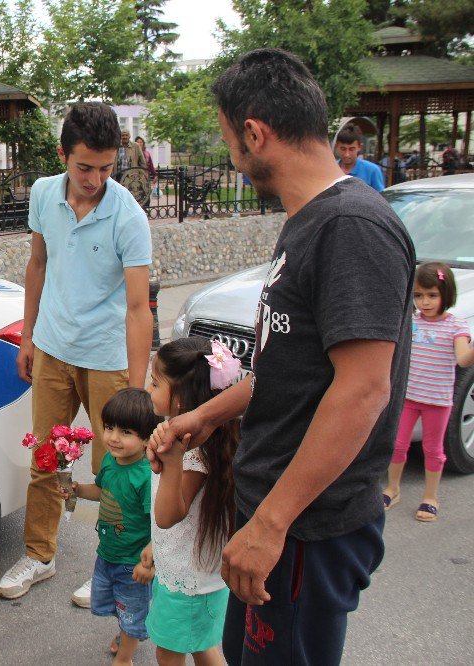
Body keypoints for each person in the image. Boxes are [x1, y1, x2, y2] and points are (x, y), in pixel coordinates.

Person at [150, 49, 414, 664]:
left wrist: (271, 524)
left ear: (254, 133)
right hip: (273, 509)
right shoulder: (308, 221)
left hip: (304, 527)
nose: (235, 162)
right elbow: (288, 369)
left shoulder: (350, 225)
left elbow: (363, 389)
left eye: (230, 143)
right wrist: (207, 417)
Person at [0, 102, 154, 606]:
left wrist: (136, 386)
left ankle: (112, 565)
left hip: (108, 358)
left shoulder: (127, 214)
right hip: (54, 348)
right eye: (85, 166)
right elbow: (37, 264)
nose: (95, 179)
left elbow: (138, 307)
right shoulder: (43, 194)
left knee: (116, 471)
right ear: (63, 154)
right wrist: (28, 336)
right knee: (45, 456)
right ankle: (40, 555)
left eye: (106, 168)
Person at [146, 338, 240, 666]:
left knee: (169, 652)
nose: (148, 387)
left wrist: (172, 462)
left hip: (187, 581)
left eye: (156, 383)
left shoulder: (193, 453)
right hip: (195, 573)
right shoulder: (213, 439)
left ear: (182, 398)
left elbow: (169, 515)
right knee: (201, 645)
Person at [59, 388, 160, 665]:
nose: (113, 437)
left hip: (133, 561)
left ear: (148, 437)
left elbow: (160, 525)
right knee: (119, 605)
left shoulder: (146, 477)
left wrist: (149, 563)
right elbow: (102, 492)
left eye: (126, 432)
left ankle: (125, 657)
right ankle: (128, 634)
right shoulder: (110, 462)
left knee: (131, 609)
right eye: (109, 427)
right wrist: (78, 490)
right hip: (108, 554)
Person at [383, 263, 474, 522]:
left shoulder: (456, 326)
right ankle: (392, 489)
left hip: (437, 401)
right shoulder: (410, 323)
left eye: (432, 295)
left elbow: (463, 359)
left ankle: (430, 497)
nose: (425, 302)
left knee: (433, 450)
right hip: (409, 398)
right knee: (398, 445)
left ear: (446, 293)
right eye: (419, 295)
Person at [334, 124, 384, 192]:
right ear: (337, 146)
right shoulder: (331, 170)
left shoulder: (372, 171)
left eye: (351, 149)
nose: (347, 154)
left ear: (360, 147)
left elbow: (381, 198)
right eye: (343, 149)